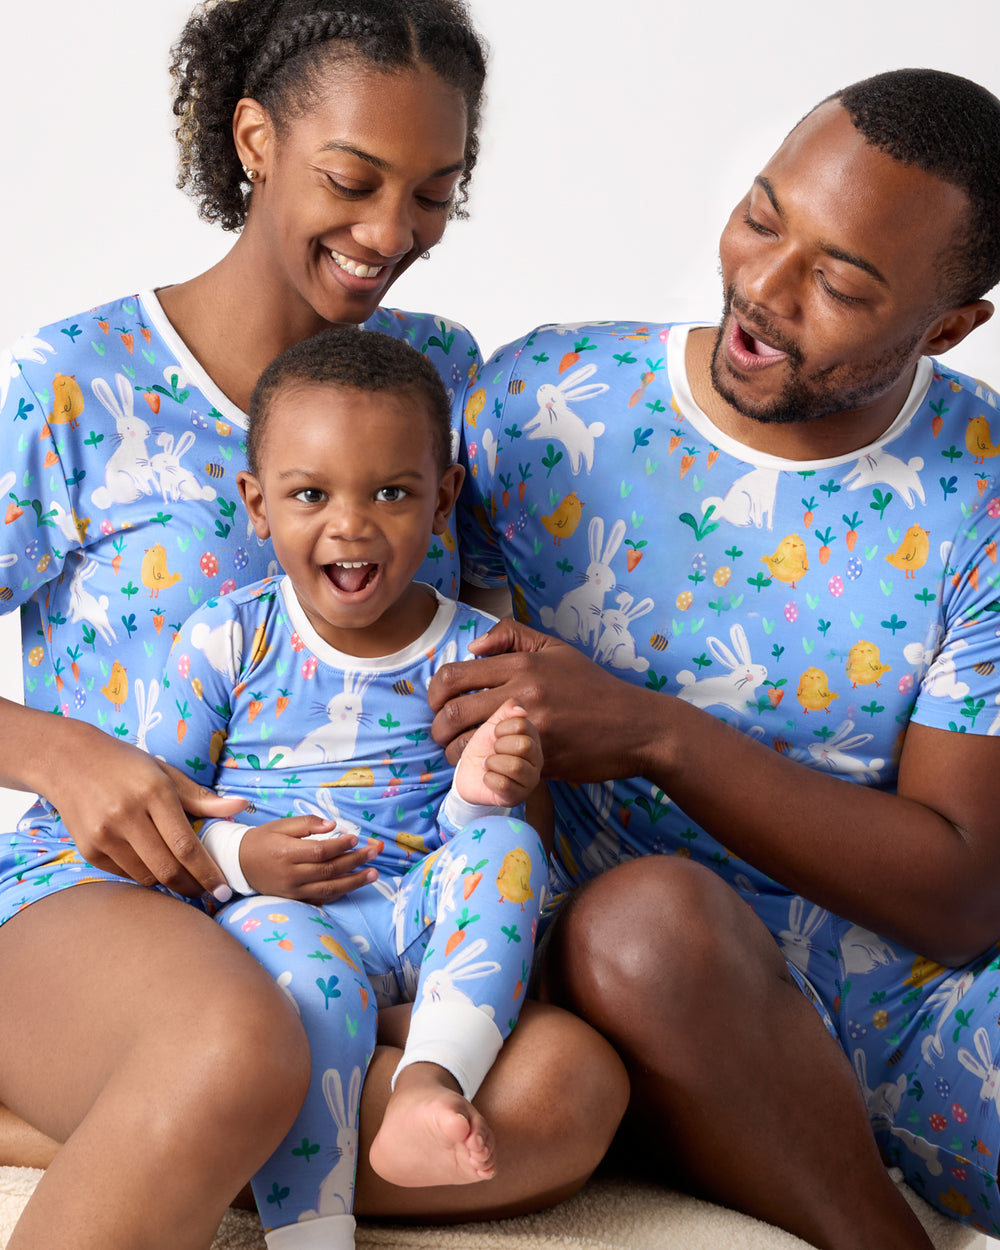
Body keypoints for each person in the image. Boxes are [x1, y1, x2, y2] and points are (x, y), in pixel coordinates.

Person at [0, 4, 628, 1248]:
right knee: (241, 1045)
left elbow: (489, 670)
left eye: (435, 195)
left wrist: (499, 880)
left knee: (564, 1090)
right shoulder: (75, 380)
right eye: (354, 179)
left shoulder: (438, 371)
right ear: (254, 138)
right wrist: (57, 754)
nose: (392, 234)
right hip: (117, 893)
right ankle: (175, 1087)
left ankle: (83, 1115)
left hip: (378, 900)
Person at [429, 68, 1000, 1250]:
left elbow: (959, 899)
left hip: (923, 1011)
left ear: (945, 328)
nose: (764, 288)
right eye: (759, 214)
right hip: (655, 983)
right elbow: (458, 741)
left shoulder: (982, 486)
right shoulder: (541, 410)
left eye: (839, 282)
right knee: (639, 922)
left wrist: (654, 733)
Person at [145, 325, 548, 1248]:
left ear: (444, 500)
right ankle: (311, 1234)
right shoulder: (228, 640)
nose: (351, 524)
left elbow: (471, 842)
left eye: (393, 492)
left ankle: (428, 1085)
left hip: (419, 912)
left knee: (509, 847)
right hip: (283, 918)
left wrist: (483, 793)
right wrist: (243, 858)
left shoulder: (472, 650)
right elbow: (154, 811)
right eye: (310, 494)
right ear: (257, 504)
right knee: (313, 998)